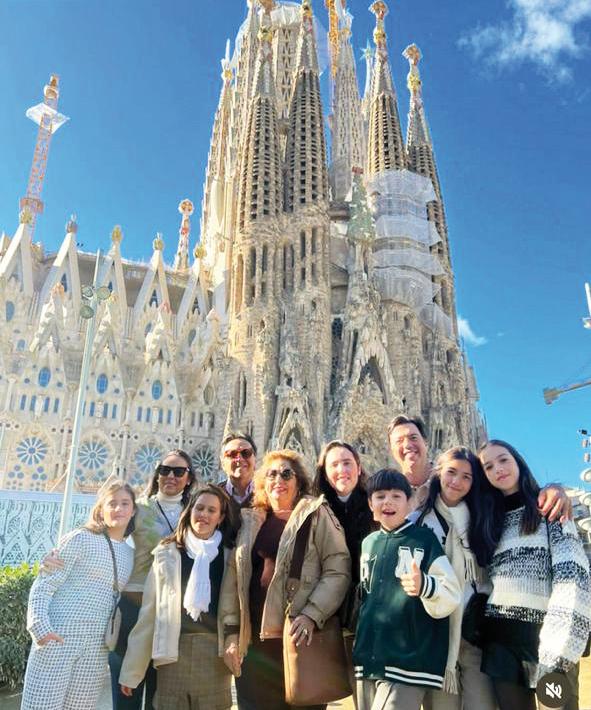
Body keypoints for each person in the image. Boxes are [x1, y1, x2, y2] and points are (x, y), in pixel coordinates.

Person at [41, 449, 197, 710]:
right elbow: (103, 530)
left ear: (189, 478)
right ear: (157, 475)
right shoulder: (140, 509)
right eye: (165, 470)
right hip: (134, 603)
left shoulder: (194, 512)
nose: (171, 476)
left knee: (161, 693)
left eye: (179, 471)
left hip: (173, 608)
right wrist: (59, 554)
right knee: (126, 689)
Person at [220, 448, 351, 710]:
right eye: (271, 474)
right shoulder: (251, 521)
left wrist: (313, 613)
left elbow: (338, 568)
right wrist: (232, 633)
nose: (278, 479)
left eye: (286, 473)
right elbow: (234, 581)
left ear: (299, 482)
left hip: (301, 643)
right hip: (255, 646)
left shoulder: (317, 514)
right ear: (262, 483)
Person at [474, 440, 591, 710]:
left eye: (503, 460)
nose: (498, 469)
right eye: (488, 466)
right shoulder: (490, 521)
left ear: (518, 461)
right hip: (502, 644)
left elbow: (572, 576)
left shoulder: (549, 508)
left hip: (549, 638)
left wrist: (560, 649)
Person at [119, 485, 241, 709]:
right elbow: (149, 614)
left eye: (211, 510)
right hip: (172, 652)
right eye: (199, 508)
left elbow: (236, 608)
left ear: (221, 517)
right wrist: (132, 672)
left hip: (214, 656)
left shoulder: (230, 557)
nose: (203, 514)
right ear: (190, 511)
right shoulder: (167, 553)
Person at [21, 480, 136, 710]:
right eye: (112, 503)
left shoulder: (130, 554)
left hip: (96, 648)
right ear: (101, 508)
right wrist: (40, 629)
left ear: (133, 510)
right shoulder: (80, 538)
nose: (118, 509)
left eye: (125, 503)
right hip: (57, 637)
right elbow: (44, 584)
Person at [353, 469, 462, 710]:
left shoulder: (423, 540)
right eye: (380, 496)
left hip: (408, 659)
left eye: (396, 496)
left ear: (410, 502)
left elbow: (452, 592)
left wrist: (425, 585)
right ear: (370, 504)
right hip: (369, 654)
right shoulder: (369, 543)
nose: (388, 501)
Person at [415, 446, 497, 710]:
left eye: (466, 477)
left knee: (482, 704)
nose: (457, 482)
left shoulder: (482, 519)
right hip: (436, 632)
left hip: (475, 631)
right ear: (438, 474)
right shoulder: (417, 521)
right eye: (451, 473)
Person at [388, 414, 572, 518]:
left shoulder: (451, 481)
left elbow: (502, 490)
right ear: (390, 448)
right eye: (399, 441)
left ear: (425, 442)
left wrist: (552, 490)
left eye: (413, 437)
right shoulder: (388, 491)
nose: (407, 445)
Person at [218, 431, 257, 511]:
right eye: (232, 454)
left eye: (246, 453)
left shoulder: (268, 496)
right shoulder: (213, 497)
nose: (239, 459)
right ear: (222, 463)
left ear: (255, 460)